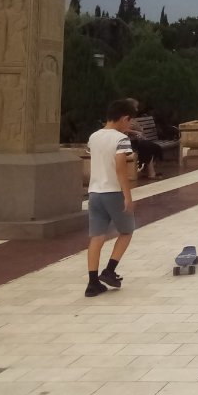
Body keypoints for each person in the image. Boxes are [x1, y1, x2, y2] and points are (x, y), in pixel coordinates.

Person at [85, 99, 138, 297]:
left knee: (96, 237)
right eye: (129, 121)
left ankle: (92, 283)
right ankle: (109, 271)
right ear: (125, 118)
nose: (129, 126)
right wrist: (127, 195)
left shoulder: (93, 137)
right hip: (113, 192)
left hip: (94, 192)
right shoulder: (121, 139)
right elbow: (120, 168)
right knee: (127, 230)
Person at [125, 98, 161, 179]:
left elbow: (137, 128)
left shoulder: (131, 117)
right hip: (129, 143)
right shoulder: (124, 117)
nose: (137, 109)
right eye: (135, 107)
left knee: (153, 147)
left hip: (136, 141)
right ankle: (151, 173)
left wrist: (140, 132)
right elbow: (123, 129)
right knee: (147, 147)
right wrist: (136, 132)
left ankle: (147, 170)